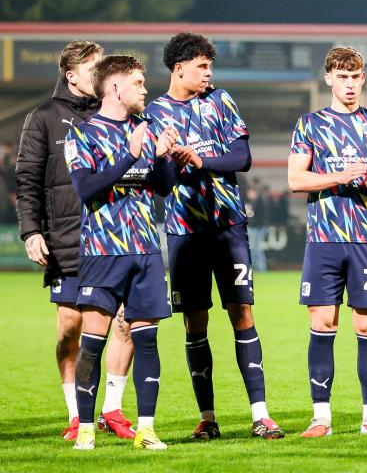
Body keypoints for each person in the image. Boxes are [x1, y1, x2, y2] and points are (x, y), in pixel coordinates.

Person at [145, 32, 284, 440]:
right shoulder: (154, 115)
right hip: (184, 230)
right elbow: (162, 183)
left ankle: (261, 414)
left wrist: (199, 158)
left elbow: (242, 157)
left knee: (242, 312)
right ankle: (207, 417)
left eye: (210, 66)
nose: (209, 73)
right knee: (195, 322)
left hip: (228, 227)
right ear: (179, 68)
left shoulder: (221, 101)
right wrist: (168, 155)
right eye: (202, 67)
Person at [15, 41, 136, 441]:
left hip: (115, 236)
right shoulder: (44, 118)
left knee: (125, 325)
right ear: (71, 75)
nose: (99, 71)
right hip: (68, 239)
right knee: (71, 327)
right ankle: (74, 412)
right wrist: (31, 231)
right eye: (92, 67)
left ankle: (112, 410)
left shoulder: (117, 113)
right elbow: (28, 181)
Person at [64, 54, 178, 450]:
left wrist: (163, 157)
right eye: (139, 83)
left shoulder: (146, 129)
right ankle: (86, 429)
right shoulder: (83, 134)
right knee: (92, 344)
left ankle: (146, 429)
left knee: (147, 341)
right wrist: (130, 155)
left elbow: (162, 188)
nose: (146, 90)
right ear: (115, 87)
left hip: (145, 250)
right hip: (103, 251)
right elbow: (86, 189)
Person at [287, 46, 367, 437]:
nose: (349, 84)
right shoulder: (310, 124)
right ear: (329, 79)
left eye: (355, 77)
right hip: (324, 239)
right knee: (323, 323)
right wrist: (340, 177)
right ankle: (321, 418)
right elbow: (295, 180)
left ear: (363, 79)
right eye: (342, 76)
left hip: (366, 239)